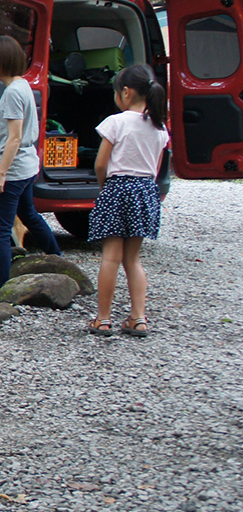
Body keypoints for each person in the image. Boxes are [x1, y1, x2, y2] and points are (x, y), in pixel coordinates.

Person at [0, 35, 63, 306]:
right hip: (27, 167)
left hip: (12, 172)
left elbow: (14, 137)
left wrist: (0, 174)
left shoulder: (11, 93)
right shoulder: (23, 86)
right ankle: (56, 259)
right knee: (29, 215)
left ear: (6, 57)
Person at [86, 64, 170, 337]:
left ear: (125, 92)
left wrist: (104, 188)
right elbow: (156, 169)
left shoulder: (116, 122)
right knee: (133, 259)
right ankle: (138, 318)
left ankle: (104, 319)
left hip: (117, 187)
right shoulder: (159, 128)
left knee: (110, 257)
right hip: (146, 190)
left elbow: (101, 164)